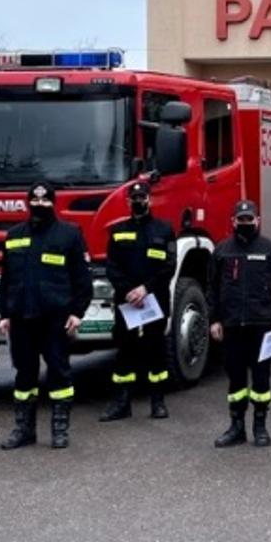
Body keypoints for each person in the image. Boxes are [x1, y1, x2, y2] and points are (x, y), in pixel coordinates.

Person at [0, 182, 93, 451]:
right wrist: (5, 313)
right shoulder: (14, 235)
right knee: (24, 376)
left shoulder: (70, 235)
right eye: (34, 201)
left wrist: (77, 312)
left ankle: (60, 430)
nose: (39, 205)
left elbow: (81, 279)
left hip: (55, 319)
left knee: (59, 374)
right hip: (21, 319)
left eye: (45, 201)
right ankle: (24, 430)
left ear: (54, 202)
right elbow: (6, 278)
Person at [209, 200, 271, 449]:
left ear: (258, 220)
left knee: (260, 381)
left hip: (262, 325)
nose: (245, 223)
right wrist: (214, 319)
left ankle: (260, 426)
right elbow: (211, 289)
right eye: (241, 219)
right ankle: (236, 428)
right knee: (235, 380)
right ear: (233, 221)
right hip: (232, 325)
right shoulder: (222, 251)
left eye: (249, 219)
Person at [101, 180, 176, 422]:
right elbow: (111, 267)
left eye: (142, 197)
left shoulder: (164, 230)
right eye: (134, 198)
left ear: (149, 200)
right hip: (127, 303)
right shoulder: (117, 230)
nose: (138, 202)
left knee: (156, 350)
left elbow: (169, 266)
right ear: (127, 202)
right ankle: (122, 403)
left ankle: (158, 402)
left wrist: (146, 289)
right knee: (124, 351)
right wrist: (129, 291)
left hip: (154, 301)